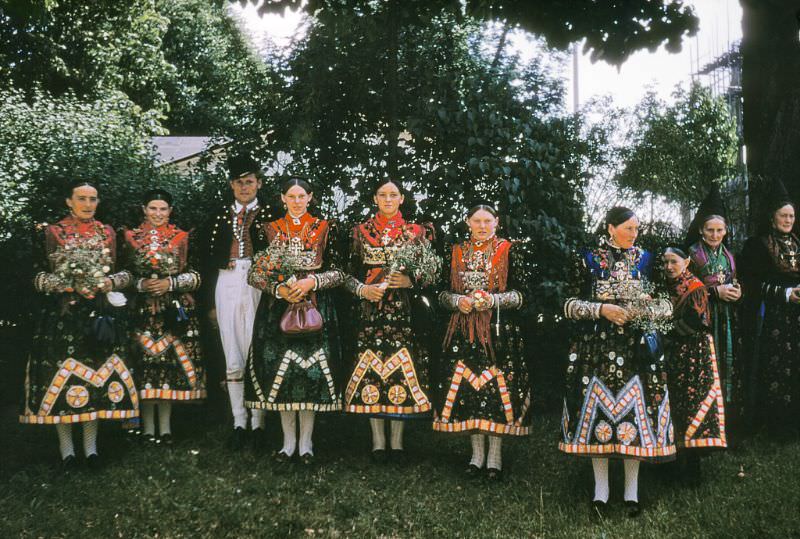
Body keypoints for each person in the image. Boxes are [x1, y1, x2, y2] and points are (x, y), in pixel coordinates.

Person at [560, 207, 674, 517]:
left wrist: (642, 312)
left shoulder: (649, 261)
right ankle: (601, 491)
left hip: (636, 351)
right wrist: (602, 311)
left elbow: (667, 305)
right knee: (597, 416)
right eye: (628, 228)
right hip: (595, 348)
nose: (634, 233)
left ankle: (632, 492)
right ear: (611, 227)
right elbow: (568, 304)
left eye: (637, 228)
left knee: (634, 419)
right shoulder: (586, 259)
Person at [22, 180, 136, 470]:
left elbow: (127, 272)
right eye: (82, 198)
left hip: (99, 315)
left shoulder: (108, 232)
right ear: (68, 201)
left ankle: (92, 448)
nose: (88, 204)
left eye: (93, 199)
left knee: (95, 377)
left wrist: (110, 281)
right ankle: (67, 450)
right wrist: (62, 283)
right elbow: (35, 275)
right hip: (62, 317)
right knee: (65, 379)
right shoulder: (51, 232)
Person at [244, 178, 345, 463]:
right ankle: (288, 444)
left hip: (315, 306)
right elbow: (254, 274)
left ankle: (307, 444)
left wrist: (312, 281)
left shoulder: (327, 228)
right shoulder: (267, 229)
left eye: (302, 196)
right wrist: (280, 289)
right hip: (279, 309)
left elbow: (339, 272)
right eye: (292, 196)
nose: (297, 201)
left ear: (310, 197)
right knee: (284, 375)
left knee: (310, 377)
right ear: (282, 199)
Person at [342, 179, 441, 462]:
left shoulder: (416, 232)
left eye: (393, 195)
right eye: (382, 195)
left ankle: (397, 443)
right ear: (375, 198)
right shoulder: (359, 232)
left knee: (399, 372)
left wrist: (412, 280)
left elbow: (434, 273)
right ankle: (377, 442)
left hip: (404, 314)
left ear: (401, 199)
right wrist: (363, 289)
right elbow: (346, 274)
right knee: (371, 371)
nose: (387, 199)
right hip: (369, 314)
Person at [432, 203, 530, 481]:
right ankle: (476, 456)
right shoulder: (455, 251)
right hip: (462, 331)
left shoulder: (511, 250)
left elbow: (523, 295)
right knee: (469, 392)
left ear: (497, 222)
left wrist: (494, 300)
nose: (483, 226)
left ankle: (495, 457)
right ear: (468, 222)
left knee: (497, 392)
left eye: (488, 221)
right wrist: (456, 301)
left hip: (498, 332)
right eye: (477, 221)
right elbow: (441, 293)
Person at [199, 154, 273, 449]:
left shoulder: (270, 213)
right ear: (232, 185)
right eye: (240, 183)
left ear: (259, 183)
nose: (245, 187)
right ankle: (239, 420)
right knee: (232, 351)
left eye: (250, 182)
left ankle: (259, 421)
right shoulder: (218, 216)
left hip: (256, 280)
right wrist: (210, 305)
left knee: (254, 345)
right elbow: (205, 261)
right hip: (227, 279)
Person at [124, 189, 205, 444]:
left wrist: (171, 283)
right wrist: (142, 285)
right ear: (144, 210)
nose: (158, 214)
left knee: (168, 368)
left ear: (170, 211)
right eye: (152, 208)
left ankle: (166, 429)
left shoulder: (182, 237)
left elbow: (198, 276)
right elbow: (122, 275)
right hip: (142, 312)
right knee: (146, 369)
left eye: (163, 209)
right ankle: (147, 428)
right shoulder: (130, 238)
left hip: (173, 311)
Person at [739, 179, 800, 434]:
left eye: (792, 216)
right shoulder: (757, 245)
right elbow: (751, 283)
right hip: (770, 318)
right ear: (772, 217)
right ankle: (773, 423)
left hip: (797, 317)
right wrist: (785, 294)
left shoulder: (797, 243)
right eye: (783, 215)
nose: (788, 220)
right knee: (773, 368)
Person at [662, 247, 727, 480]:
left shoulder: (696, 288)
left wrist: (664, 335)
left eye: (674, 262)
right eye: (666, 262)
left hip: (693, 352)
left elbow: (694, 321)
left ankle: (692, 469)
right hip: (672, 352)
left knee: (692, 403)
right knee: (671, 403)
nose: (669, 267)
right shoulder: (663, 288)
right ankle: (669, 463)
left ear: (687, 262)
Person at [685, 185, 741, 417]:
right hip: (702, 318)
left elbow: (734, 280)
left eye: (719, 230)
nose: (715, 235)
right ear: (701, 230)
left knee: (725, 363)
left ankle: (724, 413)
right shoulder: (691, 254)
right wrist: (714, 292)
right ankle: (703, 414)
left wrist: (738, 290)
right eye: (710, 230)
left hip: (726, 318)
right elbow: (684, 290)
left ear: (726, 231)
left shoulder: (729, 255)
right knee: (705, 364)